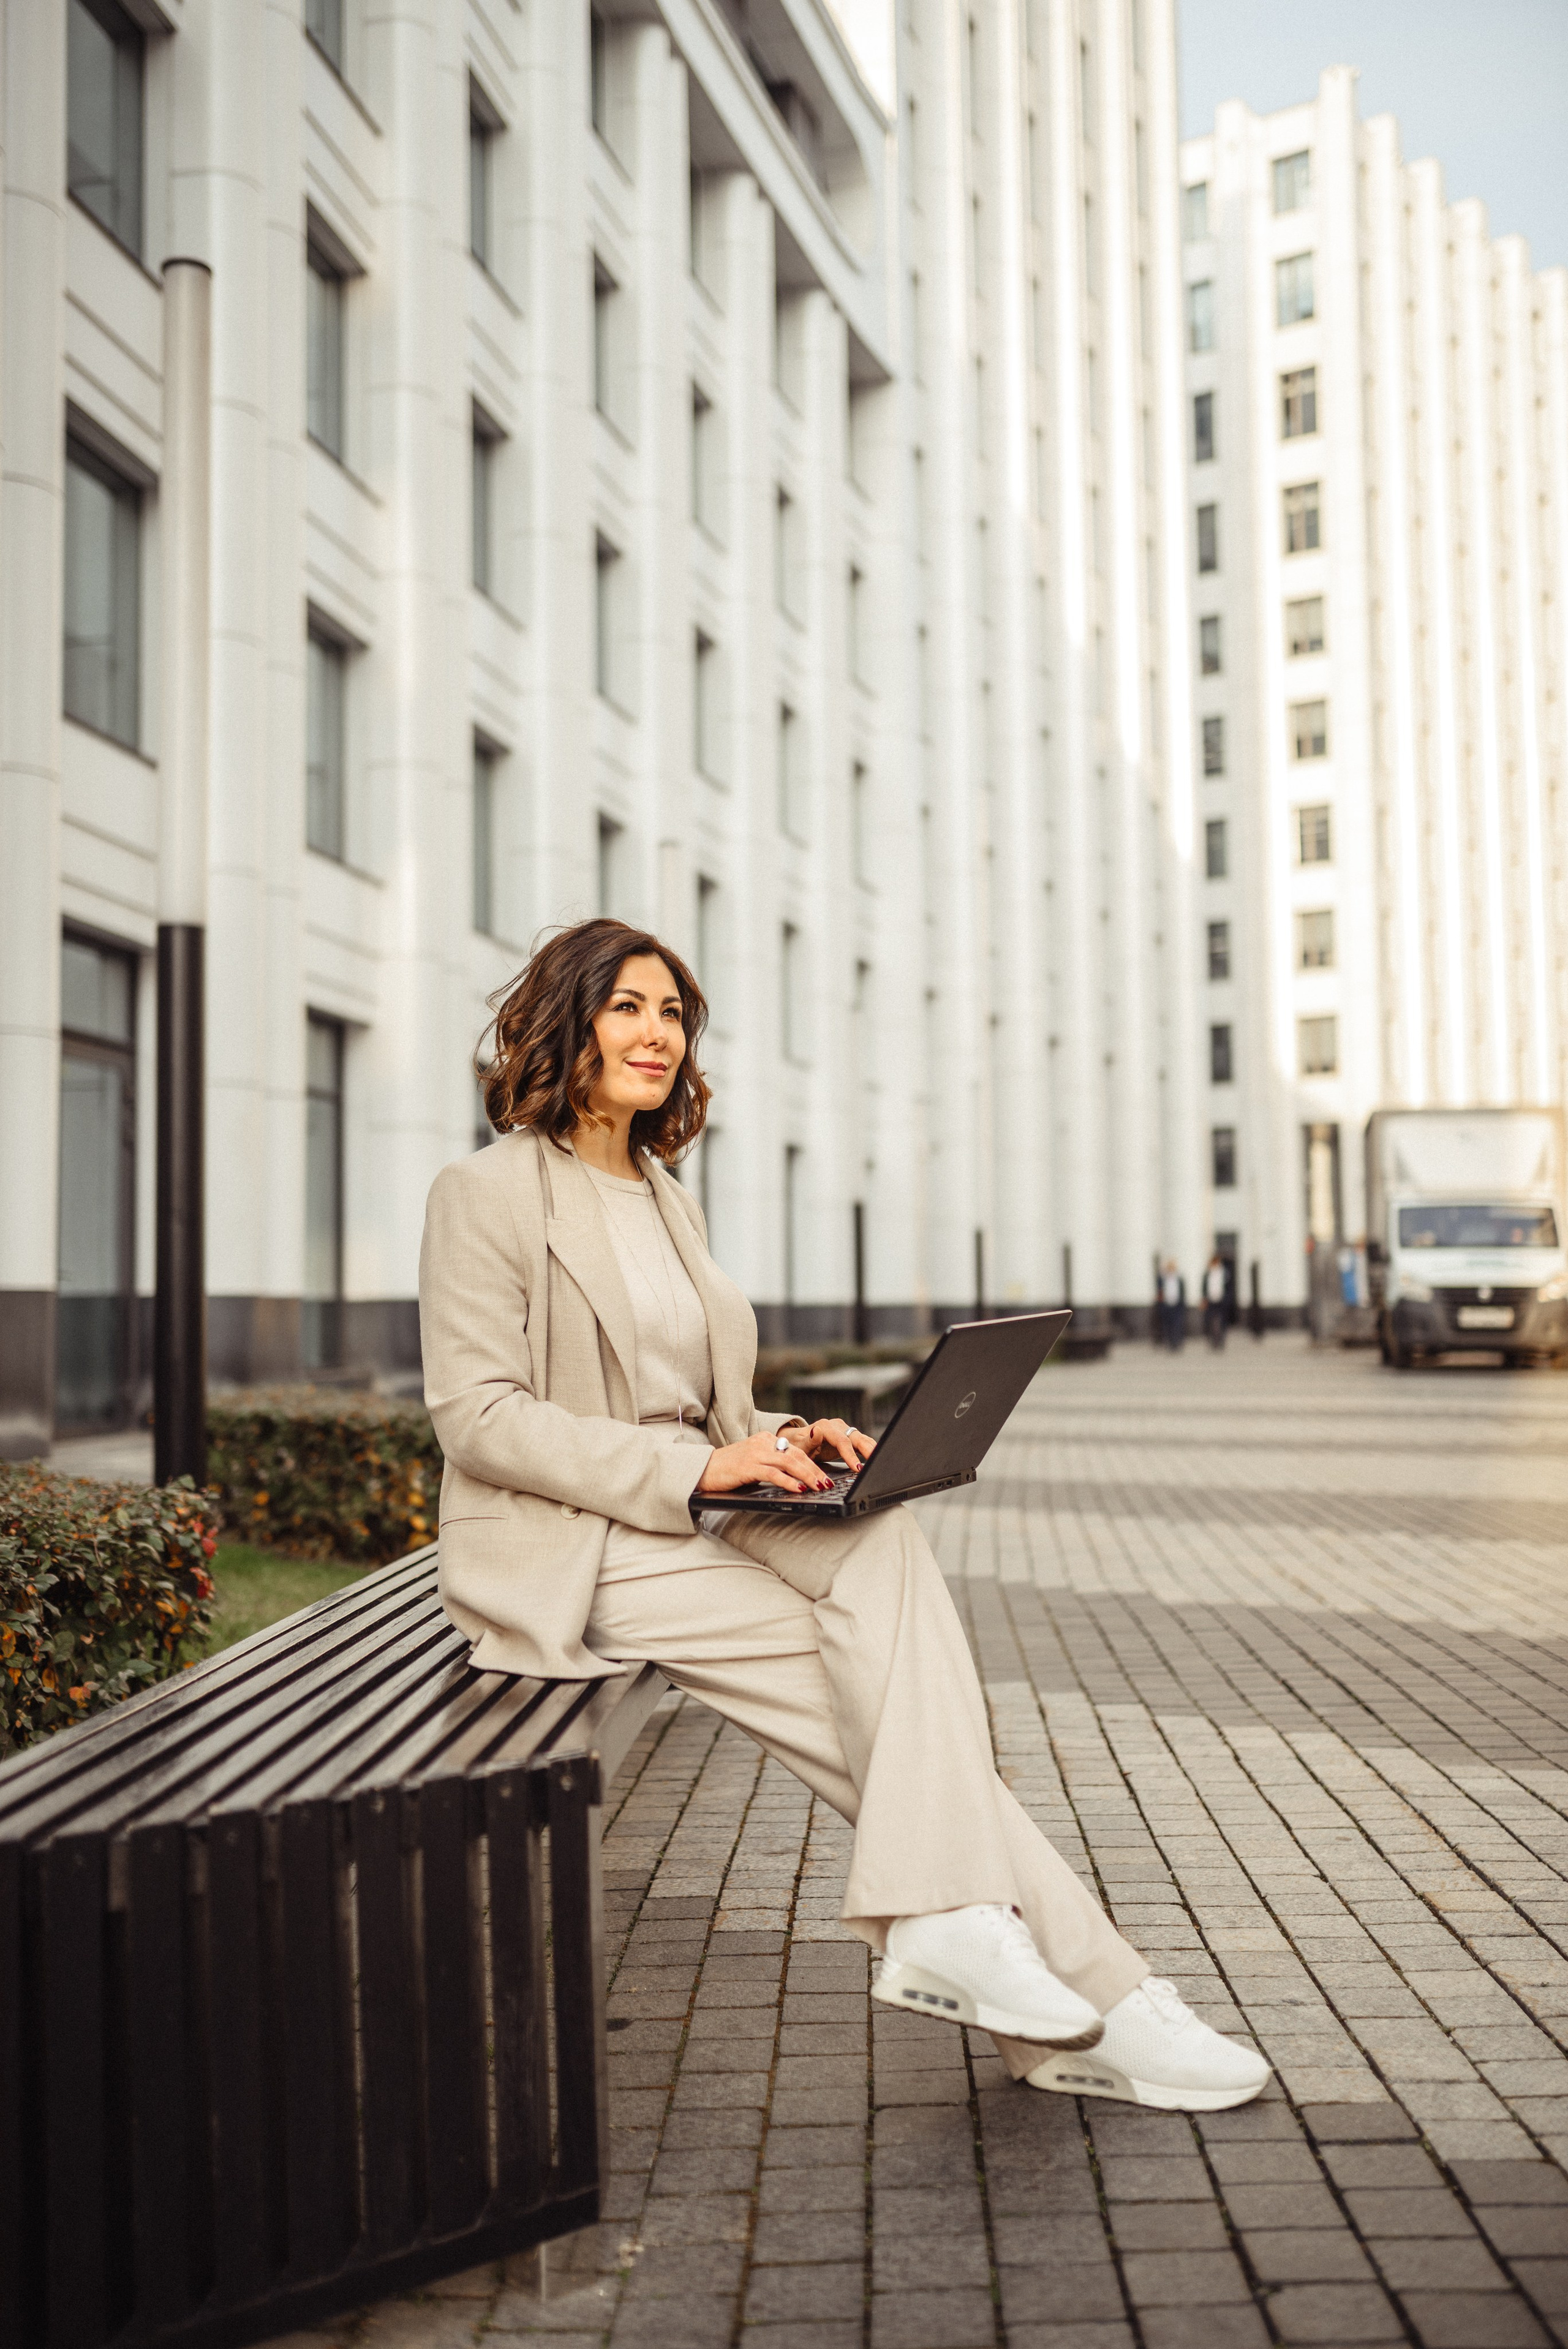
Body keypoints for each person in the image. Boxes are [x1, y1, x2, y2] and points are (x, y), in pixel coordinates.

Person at [419, 919, 1268, 2112]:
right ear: (566, 1020)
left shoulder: (665, 1195)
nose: (657, 1033)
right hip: (574, 1539)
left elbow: (703, 1402)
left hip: (696, 1494)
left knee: (877, 1535)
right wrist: (702, 1477)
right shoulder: (486, 1190)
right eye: (628, 1007)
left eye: (672, 1012)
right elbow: (477, 1416)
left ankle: (966, 1932)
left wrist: (778, 1441)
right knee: (875, 1715)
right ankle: (1100, 2001)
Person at [1159, 1259, 1186, 1352]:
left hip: (1177, 1305)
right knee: (1168, 1326)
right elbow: (1160, 1292)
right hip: (1166, 1306)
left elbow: (1183, 1292)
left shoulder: (1179, 1279)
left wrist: (1182, 1305)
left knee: (1177, 1325)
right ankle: (1170, 1343)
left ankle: (1177, 1343)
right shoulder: (1163, 1279)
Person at [1203, 1252, 1228, 1350]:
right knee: (1210, 1321)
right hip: (1211, 1301)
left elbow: (1228, 1287)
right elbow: (1204, 1288)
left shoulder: (1224, 1273)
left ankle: (1221, 1341)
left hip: (1221, 1301)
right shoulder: (1208, 1274)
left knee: (1222, 1322)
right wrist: (1204, 1299)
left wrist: (1227, 1299)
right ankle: (1213, 1342)